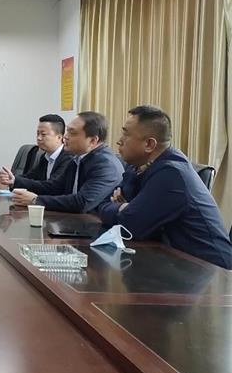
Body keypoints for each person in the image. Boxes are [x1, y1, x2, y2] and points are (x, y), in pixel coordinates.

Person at [97, 105, 232, 269]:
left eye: (126, 134)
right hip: (172, 263)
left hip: (210, 271)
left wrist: (123, 208)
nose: (119, 141)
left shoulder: (172, 173)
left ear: (149, 144)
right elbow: (103, 204)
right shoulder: (140, 166)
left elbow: (128, 227)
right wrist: (123, 208)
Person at [0, 111, 123, 213]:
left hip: (94, 228)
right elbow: (54, 188)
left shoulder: (105, 165)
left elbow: (82, 202)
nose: (65, 136)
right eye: (67, 131)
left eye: (72, 132)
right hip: (73, 222)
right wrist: (15, 182)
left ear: (93, 141)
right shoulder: (77, 158)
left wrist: (36, 200)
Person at [23, 114, 74, 180]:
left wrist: (16, 181)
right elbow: (30, 176)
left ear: (59, 137)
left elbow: (52, 184)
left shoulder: (68, 158)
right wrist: (13, 179)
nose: (39, 138)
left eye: (43, 134)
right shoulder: (45, 157)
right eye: (38, 134)